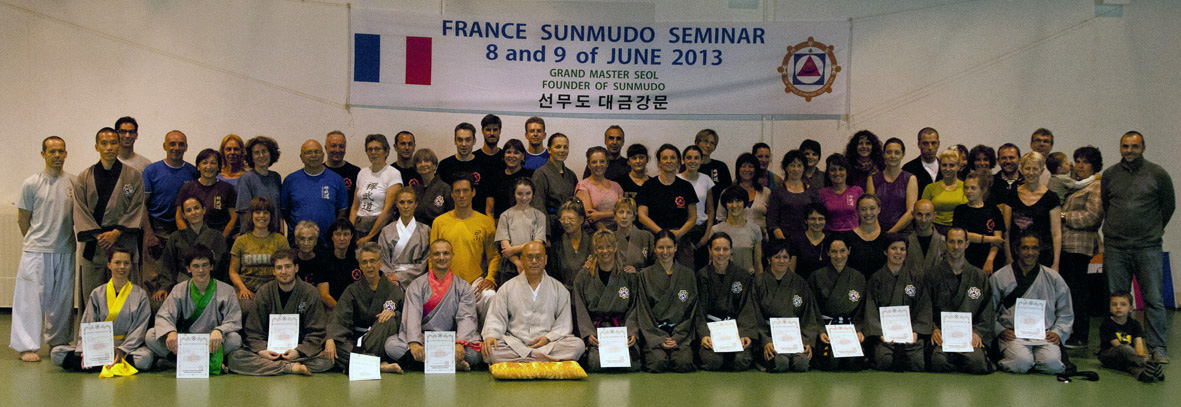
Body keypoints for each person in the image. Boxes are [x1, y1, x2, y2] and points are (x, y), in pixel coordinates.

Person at [1101, 131, 1175, 363]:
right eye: (1125, 146)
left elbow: (1168, 206)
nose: (1129, 150)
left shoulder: (1158, 174)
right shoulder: (1110, 175)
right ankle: (1120, 348)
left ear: (1143, 147)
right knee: (1117, 302)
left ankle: (1157, 348)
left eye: (1134, 146)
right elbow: (1106, 204)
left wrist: (1152, 230)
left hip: (1147, 247)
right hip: (1116, 247)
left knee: (1153, 299)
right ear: (1120, 147)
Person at [11, 136, 77, 363]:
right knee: (29, 300)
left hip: (65, 249)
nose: (57, 156)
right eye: (52, 151)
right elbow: (23, 219)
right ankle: (26, 345)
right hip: (36, 250)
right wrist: (37, 242)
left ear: (66, 154)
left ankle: (58, 341)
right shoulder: (31, 183)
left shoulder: (73, 182)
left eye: (61, 151)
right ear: (43, 154)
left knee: (62, 301)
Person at [227, 249, 333, 375]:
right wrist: (262, 350)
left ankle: (277, 367)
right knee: (235, 358)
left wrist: (298, 351)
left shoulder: (310, 292)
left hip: (298, 352)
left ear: (296, 268)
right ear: (273, 271)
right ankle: (289, 367)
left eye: (288, 267)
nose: (283, 272)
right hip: (269, 352)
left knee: (327, 360)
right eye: (279, 268)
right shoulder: (264, 292)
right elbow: (253, 330)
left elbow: (316, 330)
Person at [51, 245, 154, 371]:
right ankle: (108, 361)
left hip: (126, 348)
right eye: (117, 263)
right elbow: (88, 323)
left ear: (131, 265)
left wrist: (121, 350)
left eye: (126, 263)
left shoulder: (140, 295)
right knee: (57, 353)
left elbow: (140, 329)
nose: (122, 267)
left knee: (144, 358)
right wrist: (86, 350)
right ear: (109, 265)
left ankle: (100, 363)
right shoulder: (97, 293)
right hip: (98, 346)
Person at [74, 127, 146, 306]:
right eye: (104, 143)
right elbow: (80, 209)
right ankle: (93, 326)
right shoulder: (84, 177)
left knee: (126, 297)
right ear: (96, 147)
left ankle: (128, 325)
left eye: (113, 143)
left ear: (119, 145)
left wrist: (116, 233)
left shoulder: (133, 176)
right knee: (93, 297)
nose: (109, 147)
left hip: (123, 241)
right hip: (95, 244)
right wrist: (99, 235)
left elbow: (137, 207)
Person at [482, 241, 585, 363]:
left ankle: (525, 359)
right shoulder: (507, 288)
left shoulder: (559, 289)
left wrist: (548, 338)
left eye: (538, 257)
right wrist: (491, 335)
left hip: (547, 344)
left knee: (577, 345)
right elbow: (496, 317)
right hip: (515, 343)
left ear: (545, 260)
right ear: (522, 260)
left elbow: (563, 324)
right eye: (529, 257)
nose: (534, 261)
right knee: (491, 350)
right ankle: (541, 359)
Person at [388, 240, 482, 371]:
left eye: (446, 253)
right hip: (425, 340)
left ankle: (425, 364)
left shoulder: (463, 287)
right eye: (437, 254)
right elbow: (412, 316)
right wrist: (414, 343)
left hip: (452, 341)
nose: (441, 257)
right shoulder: (417, 285)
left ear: (452, 256)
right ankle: (451, 363)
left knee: (474, 354)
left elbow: (466, 318)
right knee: (391, 345)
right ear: (430, 257)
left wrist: (460, 343)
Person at [146, 245, 242, 373]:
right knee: (151, 335)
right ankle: (206, 363)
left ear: (211, 266)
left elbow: (234, 320)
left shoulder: (227, 290)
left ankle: (179, 363)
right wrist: (170, 332)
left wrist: (219, 330)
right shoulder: (179, 289)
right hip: (186, 341)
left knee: (235, 339)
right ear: (188, 269)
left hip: (212, 342)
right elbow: (164, 315)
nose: (201, 270)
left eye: (205, 265)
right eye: (196, 266)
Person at [990, 232, 1073, 374]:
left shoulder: (1053, 277)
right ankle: (1027, 361)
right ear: (1016, 250)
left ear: (1040, 250)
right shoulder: (1000, 277)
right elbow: (988, 310)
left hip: (1044, 334)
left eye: (1035, 248)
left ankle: (1035, 360)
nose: (1030, 253)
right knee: (1020, 363)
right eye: (1025, 248)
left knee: (1052, 365)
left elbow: (1065, 311)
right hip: (1013, 334)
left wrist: (1058, 332)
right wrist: (1000, 330)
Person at [327, 242, 407, 374]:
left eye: (372, 261)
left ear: (380, 263)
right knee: (334, 346)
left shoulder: (393, 290)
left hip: (380, 339)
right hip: (356, 339)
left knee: (387, 320)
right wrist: (330, 338)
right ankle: (378, 365)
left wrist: (395, 314)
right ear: (360, 266)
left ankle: (358, 363)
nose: (369, 266)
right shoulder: (352, 290)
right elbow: (339, 316)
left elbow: (405, 317)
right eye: (364, 262)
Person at [927, 228, 994, 374]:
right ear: (945, 243)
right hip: (943, 335)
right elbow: (925, 308)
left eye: (960, 242)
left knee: (977, 363)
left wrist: (978, 333)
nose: (956, 246)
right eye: (951, 242)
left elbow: (987, 311)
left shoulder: (979, 276)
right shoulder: (933, 274)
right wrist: (934, 329)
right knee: (938, 362)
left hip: (969, 335)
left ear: (967, 244)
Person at [573, 230, 642, 372]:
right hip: (597, 330)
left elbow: (634, 306)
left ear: (615, 247)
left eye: (609, 246)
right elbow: (580, 308)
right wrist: (588, 333)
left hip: (621, 328)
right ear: (595, 250)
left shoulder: (627, 275)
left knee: (633, 364)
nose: (605, 251)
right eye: (600, 247)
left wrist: (631, 331)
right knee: (595, 364)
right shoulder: (584, 276)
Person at [430, 177, 499, 315]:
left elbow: (494, 256)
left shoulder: (485, 222)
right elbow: (432, 256)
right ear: (452, 194)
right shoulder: (439, 222)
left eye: (465, 191)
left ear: (473, 192)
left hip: (476, 283)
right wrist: (435, 281)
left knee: (490, 296)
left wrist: (490, 278)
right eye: (457, 191)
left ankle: (487, 329)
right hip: (447, 281)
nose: (461, 195)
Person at [864, 234, 931, 372]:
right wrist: (880, 334)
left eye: (902, 249)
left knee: (917, 363)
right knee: (885, 361)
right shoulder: (876, 279)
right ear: (885, 251)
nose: (898, 252)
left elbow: (923, 307)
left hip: (909, 336)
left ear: (906, 252)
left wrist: (915, 332)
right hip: (885, 338)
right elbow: (870, 308)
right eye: (893, 248)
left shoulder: (915, 278)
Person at [634, 231, 698, 373]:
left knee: (683, 363)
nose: (665, 252)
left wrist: (678, 337)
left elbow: (692, 311)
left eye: (669, 247)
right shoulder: (644, 275)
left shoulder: (688, 275)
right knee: (657, 364)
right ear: (655, 249)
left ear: (675, 248)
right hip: (655, 332)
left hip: (679, 333)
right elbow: (643, 310)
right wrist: (658, 338)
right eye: (661, 247)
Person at [1059, 146, 1104, 349]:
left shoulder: (1096, 186)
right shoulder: (1074, 184)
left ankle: (1081, 334)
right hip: (1065, 244)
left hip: (1080, 245)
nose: (1080, 166)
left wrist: (1062, 216)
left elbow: (1092, 216)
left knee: (1078, 292)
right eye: (1077, 161)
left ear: (1094, 166)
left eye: (1085, 162)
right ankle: (1067, 331)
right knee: (1068, 290)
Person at [754, 239, 820, 372]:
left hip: (794, 336)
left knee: (802, 363)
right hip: (769, 335)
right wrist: (766, 341)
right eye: (777, 257)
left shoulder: (800, 283)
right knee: (780, 362)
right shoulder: (758, 282)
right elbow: (753, 314)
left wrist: (807, 341)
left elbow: (809, 315)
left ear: (790, 260)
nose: (781, 261)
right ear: (769, 259)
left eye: (785, 257)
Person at [695, 233, 757, 371]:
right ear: (710, 250)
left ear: (731, 250)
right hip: (712, 330)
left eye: (725, 249)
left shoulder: (743, 276)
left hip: (736, 330)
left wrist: (745, 333)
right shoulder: (702, 275)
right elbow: (699, 310)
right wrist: (704, 335)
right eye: (717, 249)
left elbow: (747, 307)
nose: (721, 253)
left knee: (742, 361)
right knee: (712, 361)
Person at [154, 197, 228, 309]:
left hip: (210, 285)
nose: (193, 213)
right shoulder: (176, 237)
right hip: (182, 285)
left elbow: (224, 267)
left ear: (204, 210)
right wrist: (164, 287)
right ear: (184, 215)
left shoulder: (217, 237)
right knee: (158, 302)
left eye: (196, 208)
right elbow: (168, 265)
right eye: (188, 210)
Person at [809, 234, 868, 371]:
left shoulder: (858, 277)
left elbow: (863, 309)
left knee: (853, 363)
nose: (839, 256)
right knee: (831, 362)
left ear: (849, 251)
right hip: (827, 328)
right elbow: (812, 309)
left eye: (842, 251)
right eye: (834, 251)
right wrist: (820, 331)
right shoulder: (816, 276)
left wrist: (859, 330)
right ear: (828, 253)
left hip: (850, 328)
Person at [637, 144, 699, 267]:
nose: (669, 161)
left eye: (672, 158)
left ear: (678, 162)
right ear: (659, 162)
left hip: (680, 237)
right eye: (665, 158)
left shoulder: (686, 186)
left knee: (685, 274)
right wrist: (662, 234)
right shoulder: (648, 186)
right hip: (654, 236)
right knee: (654, 274)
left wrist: (678, 234)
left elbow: (692, 217)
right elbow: (642, 216)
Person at [999, 152, 1061, 269]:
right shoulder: (1011, 195)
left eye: (1035, 169)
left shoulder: (1052, 198)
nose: (1031, 172)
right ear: (1021, 170)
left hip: (1044, 256)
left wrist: (1056, 263)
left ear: (1042, 171)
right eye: (1027, 168)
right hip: (1016, 255)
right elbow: (1006, 229)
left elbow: (1056, 233)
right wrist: (1008, 257)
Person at [228, 197, 290, 315]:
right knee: (247, 308)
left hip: (273, 291)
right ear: (251, 215)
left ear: (271, 216)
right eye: (257, 212)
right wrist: (242, 288)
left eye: (265, 212)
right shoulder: (241, 241)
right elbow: (233, 271)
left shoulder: (280, 240)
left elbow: (287, 270)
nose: (261, 216)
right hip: (247, 290)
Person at [141, 130, 197, 256]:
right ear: (164, 146)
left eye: (181, 144)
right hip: (157, 231)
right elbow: (142, 205)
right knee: (156, 268)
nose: (176, 148)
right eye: (172, 144)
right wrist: (149, 233)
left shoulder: (193, 172)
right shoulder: (151, 171)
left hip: (184, 230)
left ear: (186, 147)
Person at [281, 139, 348, 243]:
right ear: (301, 157)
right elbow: (285, 211)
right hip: (299, 243)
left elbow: (342, 210)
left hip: (327, 242)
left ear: (323, 155)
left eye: (317, 152)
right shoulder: (290, 180)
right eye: (308, 152)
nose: (313, 155)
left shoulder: (336, 179)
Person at [1097, 291, 1165, 382]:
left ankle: (1144, 375)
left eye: (1123, 304)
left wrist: (1142, 355)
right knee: (1125, 348)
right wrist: (1142, 359)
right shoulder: (1107, 324)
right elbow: (1117, 345)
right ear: (1109, 308)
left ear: (1131, 308)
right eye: (1114, 304)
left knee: (1129, 365)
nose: (1118, 307)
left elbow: (1139, 344)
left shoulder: (1134, 324)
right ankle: (1149, 365)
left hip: (1130, 357)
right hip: (1109, 356)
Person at [350, 133, 403, 243]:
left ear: (386, 152)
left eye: (377, 149)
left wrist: (370, 236)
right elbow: (355, 207)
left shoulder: (393, 174)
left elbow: (388, 210)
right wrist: (350, 231)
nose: (373, 152)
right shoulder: (362, 173)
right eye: (370, 149)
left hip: (380, 228)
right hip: (359, 226)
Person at [176, 149, 238, 238]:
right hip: (192, 239)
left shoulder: (227, 188)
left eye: (213, 163)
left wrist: (221, 239)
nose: (209, 166)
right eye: (205, 163)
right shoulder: (187, 188)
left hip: (219, 238)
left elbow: (234, 218)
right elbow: (179, 217)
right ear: (198, 167)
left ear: (218, 167)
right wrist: (190, 238)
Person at [495, 178, 547, 283]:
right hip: (510, 265)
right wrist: (519, 264)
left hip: (533, 263)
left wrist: (513, 249)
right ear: (514, 194)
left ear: (533, 194)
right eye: (520, 194)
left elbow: (537, 244)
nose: (524, 197)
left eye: (528, 193)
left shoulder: (540, 216)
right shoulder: (505, 216)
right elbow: (505, 247)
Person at [376, 189, 431, 285]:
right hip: (392, 281)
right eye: (402, 202)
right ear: (396, 204)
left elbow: (426, 261)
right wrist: (392, 278)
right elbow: (382, 260)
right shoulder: (386, 231)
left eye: (410, 202)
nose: (406, 206)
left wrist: (400, 277)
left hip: (418, 281)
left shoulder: (425, 230)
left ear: (416, 204)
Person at [953, 170, 1005, 272]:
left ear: (983, 189)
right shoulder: (960, 210)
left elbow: (998, 239)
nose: (968, 191)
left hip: (990, 257)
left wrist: (990, 260)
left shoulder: (993, 210)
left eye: (973, 188)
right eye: (966, 188)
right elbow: (964, 235)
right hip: (967, 257)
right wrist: (991, 238)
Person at [531, 133, 577, 240]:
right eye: (558, 147)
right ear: (549, 150)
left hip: (570, 227)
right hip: (551, 228)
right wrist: (545, 234)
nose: (562, 150)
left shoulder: (571, 175)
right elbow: (538, 206)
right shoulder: (540, 174)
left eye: (565, 147)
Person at [709, 187, 763, 275]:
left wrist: (759, 282)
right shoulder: (716, 230)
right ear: (725, 205)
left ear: (744, 203)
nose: (734, 205)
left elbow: (758, 264)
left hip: (747, 278)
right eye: (730, 202)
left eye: (738, 201)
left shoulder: (755, 229)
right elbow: (711, 261)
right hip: (723, 278)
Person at [236, 136, 284, 234]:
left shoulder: (276, 177)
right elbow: (245, 212)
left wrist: (281, 230)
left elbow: (279, 208)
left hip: (274, 234)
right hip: (254, 235)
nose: (261, 155)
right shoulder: (246, 178)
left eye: (264, 151)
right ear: (252, 157)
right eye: (256, 153)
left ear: (271, 153)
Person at [872, 138, 918, 233]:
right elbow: (870, 209)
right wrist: (878, 232)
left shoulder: (910, 179)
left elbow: (910, 212)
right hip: (876, 230)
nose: (893, 156)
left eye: (897, 152)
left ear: (902, 155)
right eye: (889, 152)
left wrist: (891, 233)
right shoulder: (873, 179)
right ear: (884, 154)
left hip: (903, 231)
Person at [437, 123, 488, 207]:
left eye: (468, 140)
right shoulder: (444, 165)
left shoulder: (484, 165)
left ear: (474, 141)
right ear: (455, 141)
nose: (464, 144)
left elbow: (489, 196)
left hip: (478, 213)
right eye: (460, 140)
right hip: (451, 213)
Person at [679, 145, 715, 264]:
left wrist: (707, 234)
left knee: (702, 267)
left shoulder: (706, 179)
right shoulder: (676, 179)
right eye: (689, 157)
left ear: (701, 160)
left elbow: (710, 210)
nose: (692, 161)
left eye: (696, 158)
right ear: (684, 160)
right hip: (682, 230)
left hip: (701, 230)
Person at [314, 219, 360, 310]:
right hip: (332, 310)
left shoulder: (358, 259)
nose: (342, 238)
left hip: (355, 308)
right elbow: (324, 296)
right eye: (338, 234)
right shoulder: (322, 260)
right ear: (332, 237)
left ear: (351, 236)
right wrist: (343, 311)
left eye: (346, 234)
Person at [576, 146, 624, 231]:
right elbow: (589, 215)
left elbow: (623, 211)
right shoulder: (583, 185)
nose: (598, 165)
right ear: (589, 165)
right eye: (594, 162)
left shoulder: (616, 186)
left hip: (618, 231)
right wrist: (605, 234)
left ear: (607, 163)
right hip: (594, 233)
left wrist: (600, 215)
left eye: (602, 161)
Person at [920, 148, 967, 235]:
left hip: (959, 230)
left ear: (958, 167)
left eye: (951, 165)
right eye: (944, 165)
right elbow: (923, 212)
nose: (947, 169)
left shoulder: (966, 187)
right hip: (934, 230)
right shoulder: (930, 188)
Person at [548, 199, 591, 290]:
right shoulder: (556, 246)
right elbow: (553, 277)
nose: (566, 222)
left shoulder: (593, 242)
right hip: (563, 292)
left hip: (589, 292)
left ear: (581, 219)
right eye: (563, 219)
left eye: (571, 219)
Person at [486, 139, 533, 218]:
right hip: (499, 223)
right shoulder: (495, 177)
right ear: (503, 155)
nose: (512, 156)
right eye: (508, 152)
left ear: (523, 156)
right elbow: (489, 211)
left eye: (516, 153)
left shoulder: (530, 176)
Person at [844, 194, 887, 278]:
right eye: (863, 209)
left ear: (879, 209)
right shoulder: (848, 237)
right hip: (855, 282)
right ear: (857, 211)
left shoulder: (887, 237)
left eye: (872, 208)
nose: (868, 213)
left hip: (880, 284)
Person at [818, 153, 862, 232]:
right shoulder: (822, 193)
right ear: (828, 173)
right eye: (833, 170)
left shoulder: (857, 191)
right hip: (830, 234)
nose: (837, 173)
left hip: (854, 234)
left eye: (841, 169)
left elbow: (864, 216)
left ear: (847, 172)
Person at [412, 148, 453, 226]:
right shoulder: (413, 190)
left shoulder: (445, 189)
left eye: (426, 161)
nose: (423, 164)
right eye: (419, 162)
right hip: (417, 230)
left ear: (434, 165)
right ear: (416, 167)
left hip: (439, 229)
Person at [904, 200, 945, 276]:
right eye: (919, 214)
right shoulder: (905, 242)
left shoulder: (944, 243)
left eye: (928, 215)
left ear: (934, 215)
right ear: (913, 214)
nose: (924, 220)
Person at [613, 198, 654, 269]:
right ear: (615, 216)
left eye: (628, 213)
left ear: (634, 217)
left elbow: (654, 265)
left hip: (642, 275)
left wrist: (639, 271)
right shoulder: (610, 238)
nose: (624, 216)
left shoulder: (646, 236)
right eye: (621, 212)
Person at [324, 130, 361, 210]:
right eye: (333, 146)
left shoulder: (355, 172)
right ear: (326, 148)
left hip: (348, 217)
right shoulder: (319, 172)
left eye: (341, 146)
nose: (337, 150)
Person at [792, 203, 829, 279]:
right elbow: (791, 270)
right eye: (812, 219)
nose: (817, 222)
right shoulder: (796, 240)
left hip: (826, 284)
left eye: (821, 219)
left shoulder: (831, 239)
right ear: (806, 221)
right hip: (802, 284)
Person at [901, 127, 940, 193]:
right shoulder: (909, 169)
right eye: (925, 143)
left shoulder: (946, 168)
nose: (930, 147)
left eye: (933, 143)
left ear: (938, 144)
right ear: (919, 144)